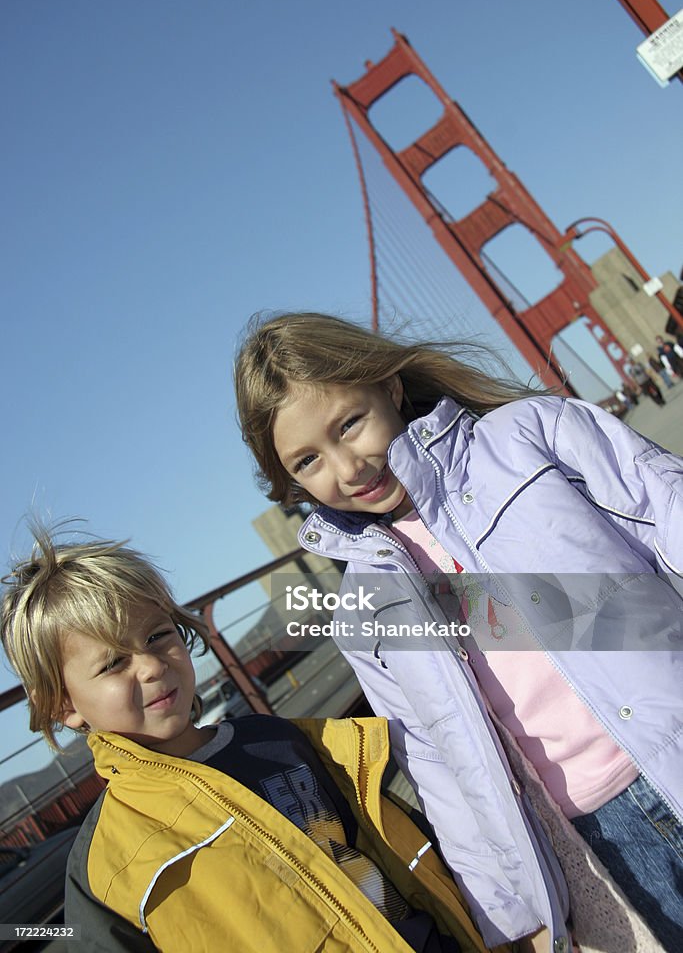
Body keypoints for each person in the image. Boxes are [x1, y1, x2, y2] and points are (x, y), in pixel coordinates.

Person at [235, 311, 683, 953]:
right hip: (602, 831)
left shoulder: (532, 435)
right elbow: (438, 765)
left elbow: (666, 508)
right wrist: (508, 916)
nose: (347, 466)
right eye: (308, 461)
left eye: (349, 425)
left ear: (390, 390)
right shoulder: (363, 611)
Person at [0, 526, 503, 953]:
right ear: (64, 706)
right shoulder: (106, 865)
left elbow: (397, 839)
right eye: (113, 663)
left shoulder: (277, 740)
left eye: (158, 636)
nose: (153, 665)